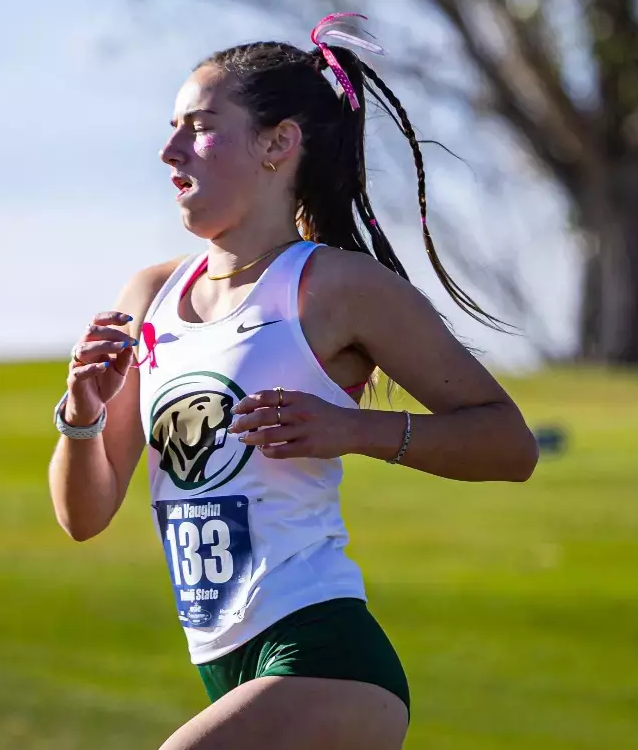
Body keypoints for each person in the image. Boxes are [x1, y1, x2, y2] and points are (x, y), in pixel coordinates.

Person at [47, 13, 538, 750]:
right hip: (223, 667)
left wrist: (355, 430)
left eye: (201, 127)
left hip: (327, 656)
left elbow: (510, 444)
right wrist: (83, 415)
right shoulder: (146, 295)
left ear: (279, 144)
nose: (168, 149)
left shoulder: (336, 287)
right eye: (171, 126)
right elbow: (83, 517)